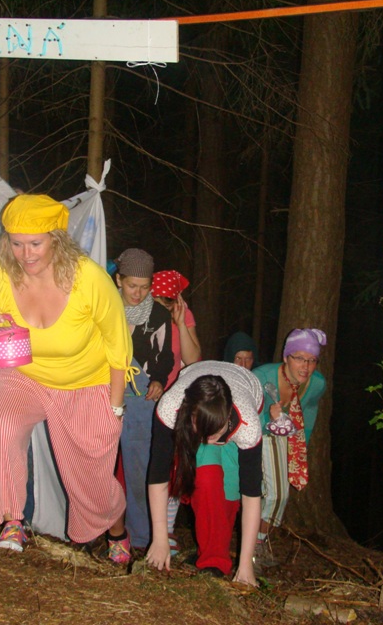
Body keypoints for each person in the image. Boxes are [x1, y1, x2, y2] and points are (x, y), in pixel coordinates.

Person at [0, 194, 133, 561]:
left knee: (91, 478)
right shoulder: (0, 274)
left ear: (56, 238)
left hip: (86, 381)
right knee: (0, 430)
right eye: (16, 243)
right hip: (24, 374)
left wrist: (115, 408)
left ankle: (117, 531)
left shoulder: (88, 277)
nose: (25, 254)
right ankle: (12, 521)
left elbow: (118, 345)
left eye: (35, 243)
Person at [146, 360, 263, 586]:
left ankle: (216, 557)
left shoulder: (248, 425)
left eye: (215, 433)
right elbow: (158, 475)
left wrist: (245, 564)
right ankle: (209, 557)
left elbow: (251, 494)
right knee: (205, 477)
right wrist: (160, 539)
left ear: (228, 418)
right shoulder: (170, 408)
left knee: (229, 491)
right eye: (203, 434)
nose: (209, 440)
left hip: (246, 389)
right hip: (195, 382)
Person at [252, 328, 327, 570]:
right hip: (255, 434)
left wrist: (299, 446)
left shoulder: (316, 384)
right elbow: (245, 414)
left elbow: (309, 414)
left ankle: (258, 542)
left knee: (277, 497)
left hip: (286, 437)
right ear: (286, 357)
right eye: (299, 358)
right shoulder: (262, 377)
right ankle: (252, 546)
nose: (306, 366)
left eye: (312, 360)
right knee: (271, 493)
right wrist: (269, 418)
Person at [115, 249, 174, 549]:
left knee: (139, 467)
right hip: (105, 390)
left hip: (141, 397)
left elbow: (166, 356)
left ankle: (140, 538)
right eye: (131, 286)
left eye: (144, 287)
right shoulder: (105, 306)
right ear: (119, 280)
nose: (138, 293)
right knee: (97, 465)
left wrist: (159, 379)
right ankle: (91, 530)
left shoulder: (159, 315)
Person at [151, 269, 202, 553]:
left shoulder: (183, 315)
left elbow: (193, 360)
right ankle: (141, 526)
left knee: (171, 463)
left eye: (168, 302)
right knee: (142, 461)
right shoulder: (140, 312)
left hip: (173, 398)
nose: (162, 307)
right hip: (144, 394)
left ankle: (167, 529)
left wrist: (181, 323)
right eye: (157, 300)